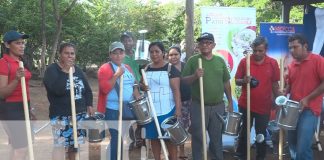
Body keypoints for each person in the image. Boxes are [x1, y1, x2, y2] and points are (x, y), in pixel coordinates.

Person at [182, 32, 233, 160]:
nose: (205, 45)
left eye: (208, 42)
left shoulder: (220, 61)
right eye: (202, 42)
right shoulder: (193, 61)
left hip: (218, 106)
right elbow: (184, 81)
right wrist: (195, 76)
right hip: (199, 106)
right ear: (198, 45)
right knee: (198, 137)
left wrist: (230, 102)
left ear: (213, 45)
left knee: (216, 138)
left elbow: (226, 82)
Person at [43, 42, 94, 160]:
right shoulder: (52, 70)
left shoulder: (78, 70)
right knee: (59, 146)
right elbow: (56, 90)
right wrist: (65, 71)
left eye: (72, 53)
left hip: (79, 114)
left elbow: (87, 90)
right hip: (61, 115)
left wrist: (89, 104)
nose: (70, 56)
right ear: (60, 54)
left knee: (74, 146)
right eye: (66, 53)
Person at [234, 36, 280, 160]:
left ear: (266, 49)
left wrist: (278, 100)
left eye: (260, 51)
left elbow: (275, 84)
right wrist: (244, 80)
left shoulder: (272, 63)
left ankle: (260, 157)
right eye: (255, 50)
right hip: (246, 104)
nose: (257, 53)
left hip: (264, 105)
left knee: (261, 133)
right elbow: (237, 81)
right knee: (244, 131)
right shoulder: (245, 61)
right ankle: (241, 155)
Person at [97, 41, 141, 160]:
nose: (118, 56)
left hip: (127, 108)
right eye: (115, 53)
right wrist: (116, 75)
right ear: (110, 55)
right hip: (112, 109)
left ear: (124, 54)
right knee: (117, 137)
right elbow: (104, 89)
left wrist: (136, 91)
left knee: (121, 137)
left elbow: (134, 83)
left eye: (120, 53)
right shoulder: (104, 68)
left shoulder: (127, 67)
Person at [285, 33, 324, 160]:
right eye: (290, 47)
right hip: (293, 110)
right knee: (292, 145)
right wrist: (283, 92)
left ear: (305, 46)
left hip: (310, 110)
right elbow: (289, 87)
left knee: (302, 148)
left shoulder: (318, 60)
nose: (292, 50)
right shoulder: (292, 65)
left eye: (295, 47)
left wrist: (308, 98)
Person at [141, 41, 181, 160]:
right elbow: (140, 84)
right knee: (154, 138)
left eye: (157, 51)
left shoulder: (170, 68)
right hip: (151, 110)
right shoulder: (146, 68)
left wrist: (178, 109)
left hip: (168, 109)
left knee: (170, 138)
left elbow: (176, 90)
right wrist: (142, 87)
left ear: (163, 53)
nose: (154, 54)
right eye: (152, 52)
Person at [0, 30, 32, 160]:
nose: (22, 46)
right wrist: (16, 79)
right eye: (18, 43)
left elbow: (25, 89)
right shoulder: (3, 63)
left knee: (16, 147)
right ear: (7, 45)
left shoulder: (20, 61)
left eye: (23, 43)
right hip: (10, 109)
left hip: (24, 106)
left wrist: (30, 109)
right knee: (21, 148)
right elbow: (2, 93)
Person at [167, 45, 191, 160]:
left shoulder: (186, 67)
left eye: (176, 54)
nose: (173, 57)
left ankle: (181, 150)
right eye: (171, 55)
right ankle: (173, 151)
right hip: (172, 102)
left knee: (184, 126)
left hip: (187, 101)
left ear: (180, 55)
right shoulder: (166, 69)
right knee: (174, 127)